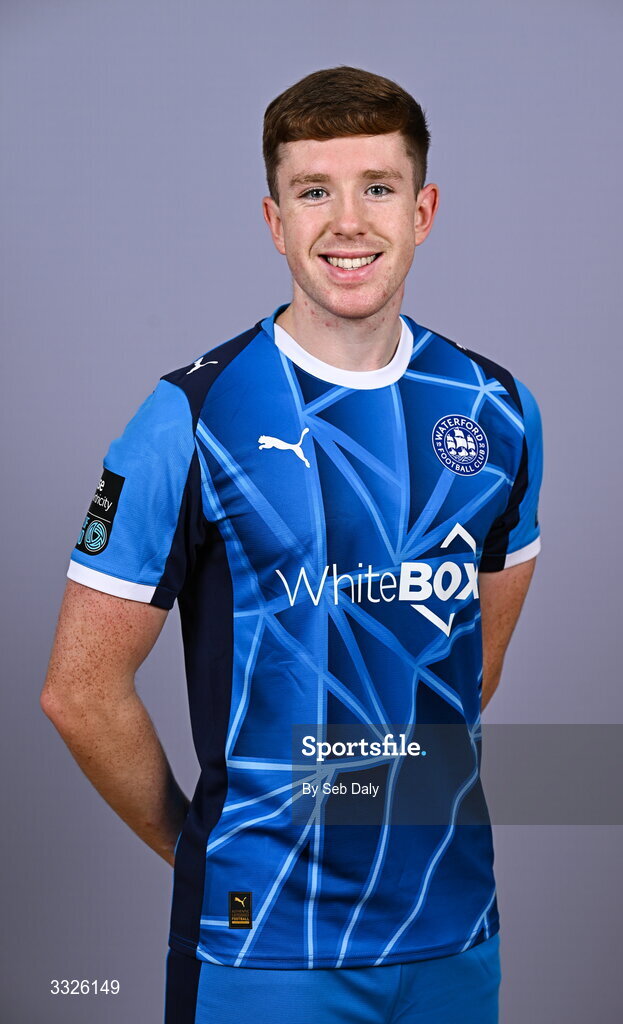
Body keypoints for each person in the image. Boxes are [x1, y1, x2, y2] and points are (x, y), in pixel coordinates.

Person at [41, 65, 542, 1024]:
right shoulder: (187, 417)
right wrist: (204, 848)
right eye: (314, 191)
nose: (347, 222)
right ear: (274, 220)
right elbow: (78, 691)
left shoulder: (498, 410)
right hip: (264, 946)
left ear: (422, 209)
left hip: (455, 934)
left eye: (377, 188)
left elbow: (463, 672)